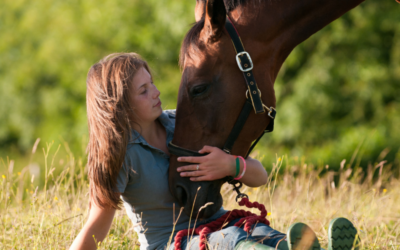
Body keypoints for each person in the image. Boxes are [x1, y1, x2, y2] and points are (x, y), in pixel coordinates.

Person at [69, 53, 359, 250]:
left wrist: (231, 166)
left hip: (221, 225)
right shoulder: (121, 156)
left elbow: (261, 176)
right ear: (119, 105)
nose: (156, 91)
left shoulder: (181, 124)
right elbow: (96, 226)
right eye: (143, 90)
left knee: (261, 235)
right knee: (232, 240)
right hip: (173, 244)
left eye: (152, 82)